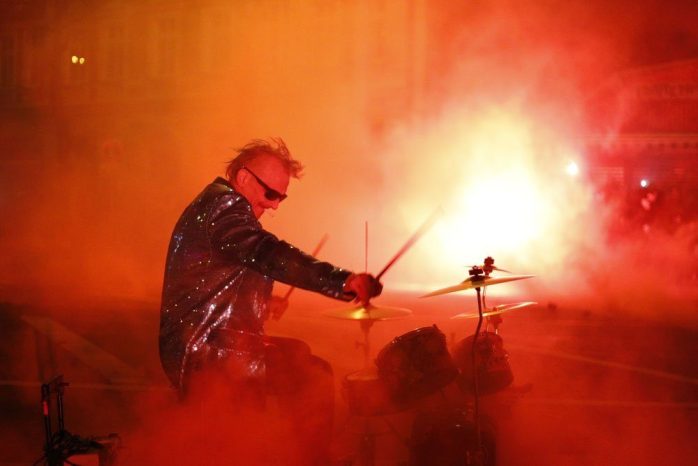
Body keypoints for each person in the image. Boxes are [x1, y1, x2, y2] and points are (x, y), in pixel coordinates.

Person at [159, 137, 382, 465]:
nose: (275, 205)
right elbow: (266, 252)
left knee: (305, 363)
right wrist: (341, 280)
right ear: (244, 178)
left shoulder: (216, 207)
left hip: (214, 339)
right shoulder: (224, 208)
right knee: (308, 380)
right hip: (210, 351)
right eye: (271, 193)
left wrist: (264, 302)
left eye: (282, 197)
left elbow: (222, 277)